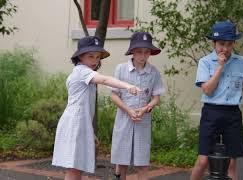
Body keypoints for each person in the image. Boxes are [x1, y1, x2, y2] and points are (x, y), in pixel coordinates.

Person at [52, 36, 140, 180]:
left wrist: (89, 131)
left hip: (79, 124)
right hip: (74, 124)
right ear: (80, 56)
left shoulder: (85, 73)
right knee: (74, 169)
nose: (95, 60)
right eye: (90, 56)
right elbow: (105, 80)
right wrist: (128, 86)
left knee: (76, 168)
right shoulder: (82, 71)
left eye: (98, 57)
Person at [190, 20, 243, 180]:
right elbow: (207, 89)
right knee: (203, 160)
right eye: (221, 44)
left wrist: (238, 87)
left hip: (232, 114)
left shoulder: (242, 62)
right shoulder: (205, 62)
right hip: (211, 112)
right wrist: (220, 67)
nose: (225, 49)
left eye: (229, 44)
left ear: (233, 43)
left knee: (232, 162)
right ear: (214, 43)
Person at [110, 32, 165, 180]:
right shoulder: (121, 69)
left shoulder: (153, 72)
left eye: (146, 52)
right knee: (122, 161)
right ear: (132, 51)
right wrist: (128, 110)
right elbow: (114, 95)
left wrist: (146, 108)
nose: (143, 55)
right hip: (124, 120)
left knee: (143, 163)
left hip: (143, 121)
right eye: (139, 52)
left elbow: (156, 97)